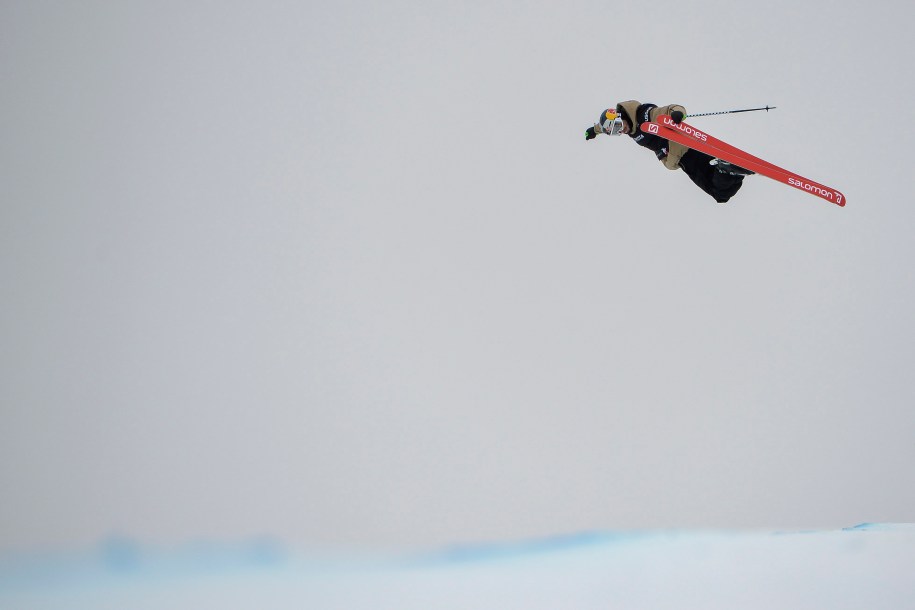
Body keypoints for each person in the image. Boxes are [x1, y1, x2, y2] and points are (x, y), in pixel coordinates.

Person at [585, 101, 753, 204]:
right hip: (680, 158)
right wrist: (594, 130)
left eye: (618, 126)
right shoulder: (630, 128)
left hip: (685, 152)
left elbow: (668, 109)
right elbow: (603, 127)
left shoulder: (644, 114)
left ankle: (725, 169)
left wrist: (677, 113)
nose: (620, 131)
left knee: (719, 194)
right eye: (614, 132)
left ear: (621, 116)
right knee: (722, 195)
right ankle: (731, 170)